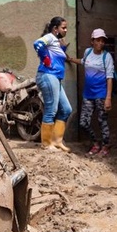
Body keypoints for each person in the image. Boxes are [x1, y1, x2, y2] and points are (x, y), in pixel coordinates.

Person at [67, 28, 115, 157]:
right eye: (98, 40)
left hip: (101, 94)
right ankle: (95, 143)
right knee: (83, 122)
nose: (101, 43)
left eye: (103, 41)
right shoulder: (88, 52)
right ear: (92, 41)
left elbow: (109, 78)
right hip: (88, 94)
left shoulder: (106, 56)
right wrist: (71, 60)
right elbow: (83, 62)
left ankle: (106, 145)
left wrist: (108, 97)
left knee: (102, 121)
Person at [33, 16, 73, 152]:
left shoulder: (56, 41)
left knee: (66, 109)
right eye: (63, 27)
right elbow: (37, 44)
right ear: (55, 29)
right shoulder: (50, 37)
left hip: (55, 77)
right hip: (47, 75)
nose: (66, 30)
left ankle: (57, 141)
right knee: (51, 109)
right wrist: (45, 59)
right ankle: (46, 143)